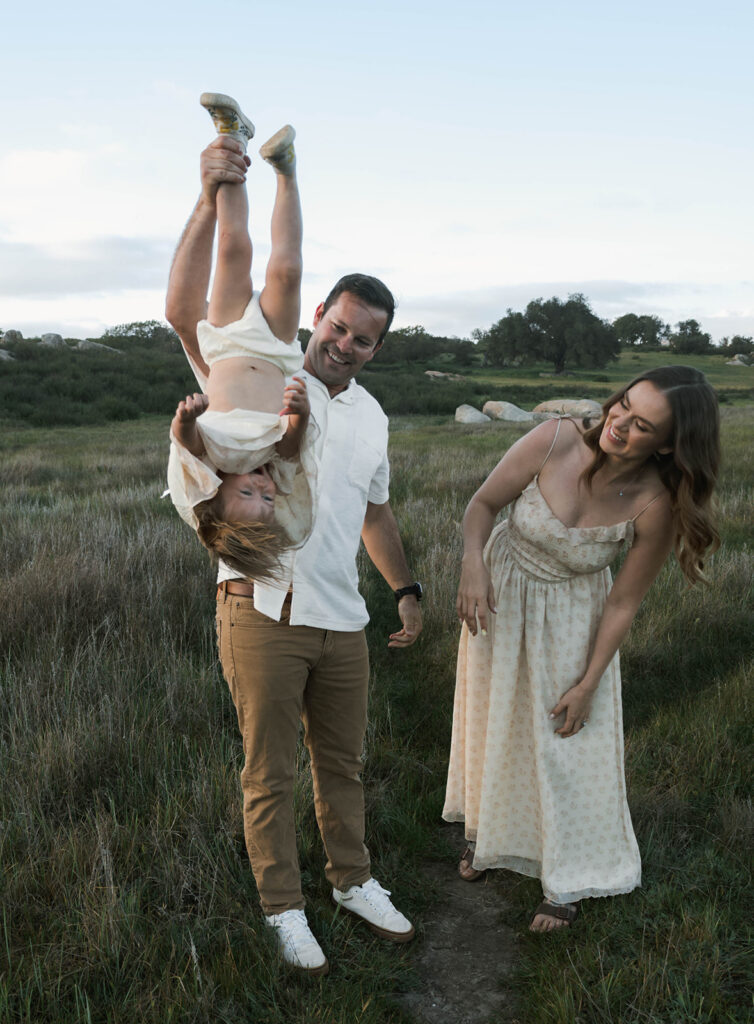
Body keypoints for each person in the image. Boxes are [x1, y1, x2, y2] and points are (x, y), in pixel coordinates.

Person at [165, 113, 423, 975]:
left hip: (343, 619)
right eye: (337, 327)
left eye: (362, 339)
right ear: (316, 317)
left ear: (377, 349)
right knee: (269, 771)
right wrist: (213, 189)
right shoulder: (261, 366)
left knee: (343, 764)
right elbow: (192, 301)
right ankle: (284, 909)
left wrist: (407, 589)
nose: (342, 344)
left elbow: (373, 514)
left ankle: (352, 880)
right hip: (261, 608)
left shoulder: (373, 414)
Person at [443, 366, 719, 931]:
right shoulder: (554, 437)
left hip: (571, 622)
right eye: (623, 405)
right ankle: (487, 834)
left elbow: (622, 603)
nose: (618, 423)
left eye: (642, 425)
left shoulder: (655, 502)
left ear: (668, 445)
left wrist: (590, 681)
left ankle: (567, 873)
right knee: (494, 722)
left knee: (563, 744)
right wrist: (473, 566)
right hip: (499, 600)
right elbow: (482, 505)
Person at [167, 93, 315, 584]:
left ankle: (231, 136)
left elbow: (185, 445)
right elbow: (293, 443)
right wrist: (299, 410)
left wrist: (187, 419)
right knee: (288, 269)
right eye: (267, 499)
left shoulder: (214, 460)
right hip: (274, 348)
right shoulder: (275, 464)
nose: (260, 488)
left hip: (228, 341)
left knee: (233, 246)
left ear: (218, 496)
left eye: (247, 496)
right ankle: (286, 170)